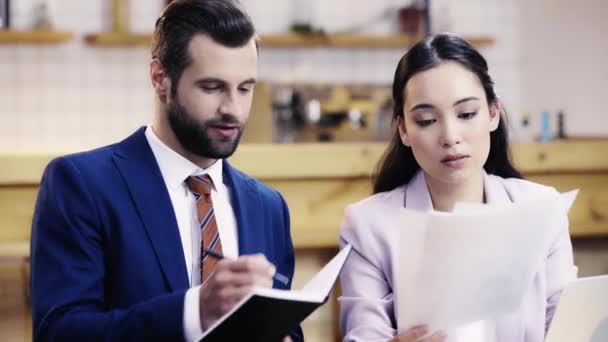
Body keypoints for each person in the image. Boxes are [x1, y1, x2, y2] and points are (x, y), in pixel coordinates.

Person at [30, 1, 303, 341]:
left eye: (245, 88)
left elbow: (286, 325)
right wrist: (195, 311)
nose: (232, 108)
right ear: (160, 78)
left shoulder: (268, 206)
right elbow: (59, 334)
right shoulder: (81, 185)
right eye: (212, 87)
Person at [338, 33, 576, 342]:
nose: (450, 136)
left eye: (466, 114)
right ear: (404, 130)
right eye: (426, 120)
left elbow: (567, 327)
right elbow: (364, 335)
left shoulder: (542, 208)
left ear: (493, 113)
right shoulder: (368, 225)